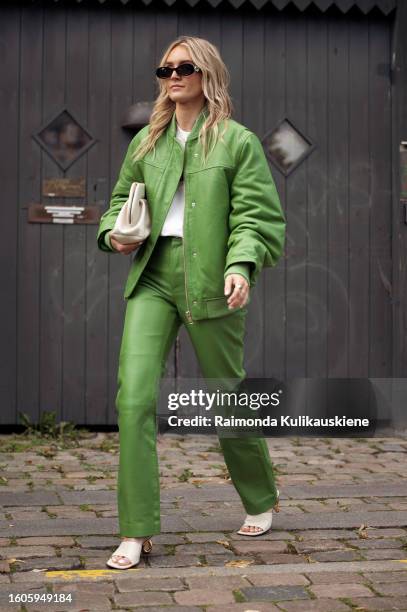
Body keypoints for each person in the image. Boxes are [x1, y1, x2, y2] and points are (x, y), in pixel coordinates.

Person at [97, 35, 286, 570]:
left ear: (207, 74)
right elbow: (116, 205)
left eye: (183, 67)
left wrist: (239, 264)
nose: (172, 76)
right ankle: (136, 530)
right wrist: (115, 234)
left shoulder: (236, 141)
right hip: (153, 276)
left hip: (210, 277)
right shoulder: (146, 143)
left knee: (228, 396)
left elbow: (256, 216)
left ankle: (260, 496)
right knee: (133, 399)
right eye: (165, 69)